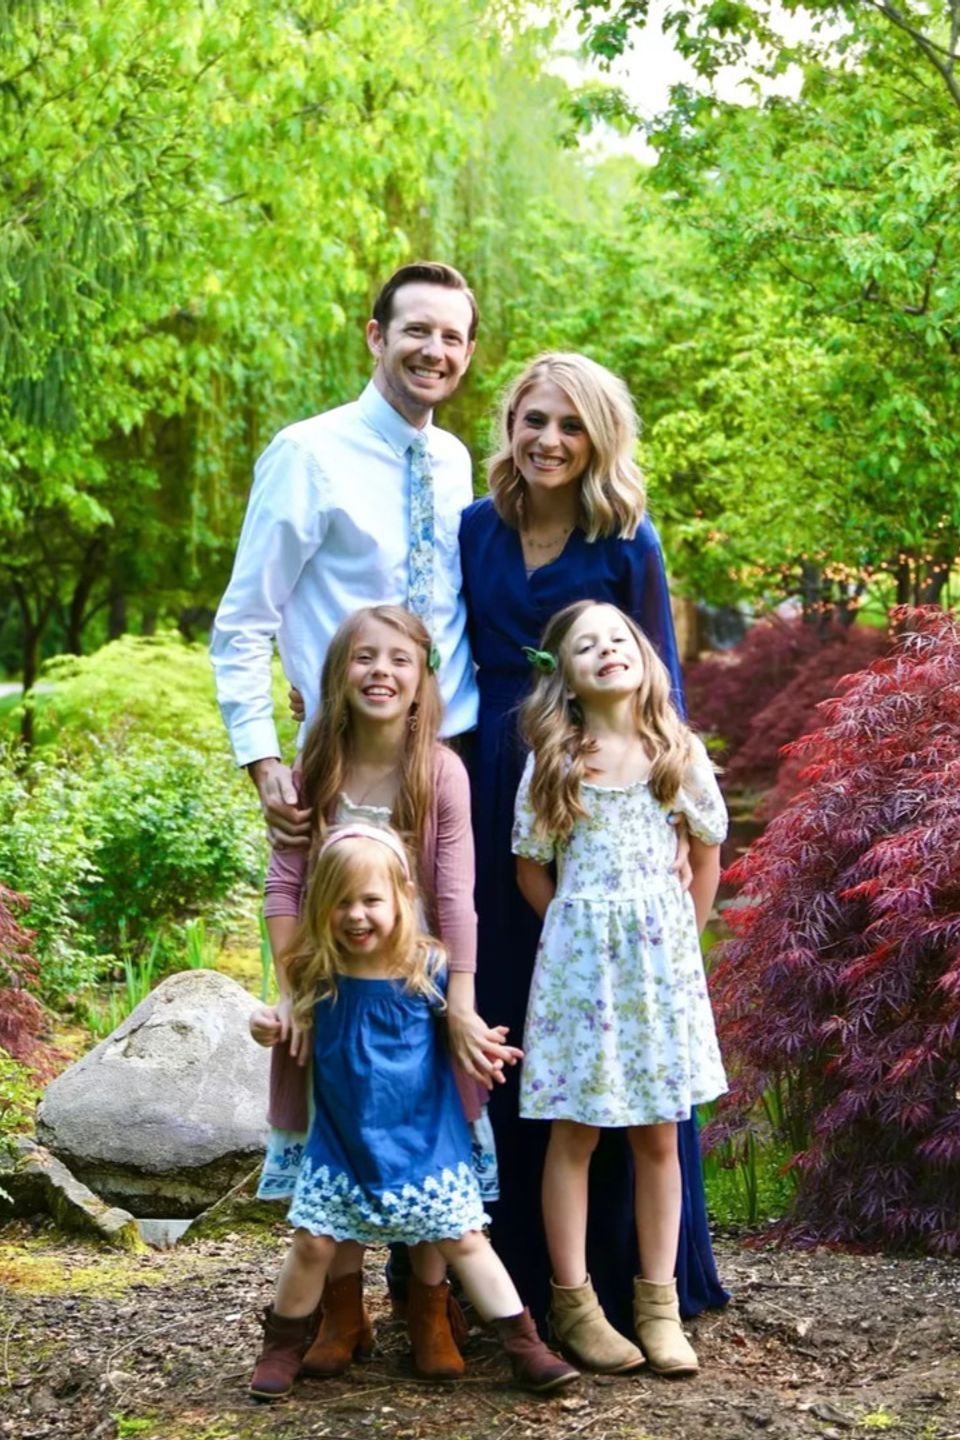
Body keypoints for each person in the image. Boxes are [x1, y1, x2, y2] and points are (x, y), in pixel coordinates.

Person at [458, 351, 728, 1333]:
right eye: (533, 420)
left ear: (597, 437)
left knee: (633, 1045)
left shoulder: (629, 539)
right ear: (511, 425)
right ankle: (513, 1279)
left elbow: (661, 692)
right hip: (501, 785)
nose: (548, 440)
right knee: (520, 1028)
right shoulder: (474, 529)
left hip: (606, 792)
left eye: (570, 425)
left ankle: (639, 1283)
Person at [249, 604, 517, 1380]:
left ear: (422, 679)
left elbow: (458, 896)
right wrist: (295, 991)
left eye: (399, 659)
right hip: (331, 993)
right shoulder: (316, 768)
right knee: (337, 1144)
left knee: (434, 1150)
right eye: (363, 658)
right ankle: (341, 1311)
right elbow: (284, 886)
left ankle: (430, 1310)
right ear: (337, 675)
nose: (380, 672)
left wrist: (458, 1007)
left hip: (417, 992)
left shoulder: (440, 771)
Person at [246, 825, 579, 1402]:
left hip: (426, 1138)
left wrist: (484, 1045)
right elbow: (278, 1020)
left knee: (466, 1239)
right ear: (320, 907)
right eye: (341, 902)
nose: (356, 916)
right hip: (344, 1141)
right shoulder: (316, 974)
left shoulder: (429, 968)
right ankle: (282, 1346)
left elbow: (460, 1034)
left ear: (402, 897)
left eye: (371, 900)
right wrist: (264, 1023)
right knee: (314, 1243)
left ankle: (525, 1346)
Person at [513, 600, 728, 1375]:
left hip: (659, 975)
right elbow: (530, 866)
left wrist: (679, 939)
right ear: (564, 678)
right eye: (584, 646)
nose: (606, 650)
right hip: (579, 978)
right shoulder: (556, 763)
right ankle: (573, 1304)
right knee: (572, 1134)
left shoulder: (677, 754)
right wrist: (575, 928)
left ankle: (660, 1305)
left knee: (660, 1136)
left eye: (618, 638)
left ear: (644, 657)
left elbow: (705, 857)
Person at [210, 260, 480, 845]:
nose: (434, 350)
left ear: (468, 352)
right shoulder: (307, 455)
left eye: (451, 337)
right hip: (346, 758)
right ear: (376, 336)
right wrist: (263, 760)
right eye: (416, 330)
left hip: (457, 753)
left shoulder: (456, 461)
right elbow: (245, 619)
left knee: (456, 933)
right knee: (344, 933)